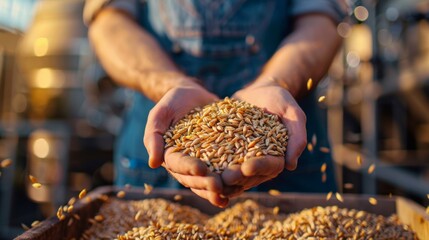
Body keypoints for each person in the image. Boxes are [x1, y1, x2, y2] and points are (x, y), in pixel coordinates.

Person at [84, 0, 345, 208]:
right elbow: (109, 22)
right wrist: (167, 84)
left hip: (289, 154)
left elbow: (321, 20)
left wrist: (277, 82)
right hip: (158, 156)